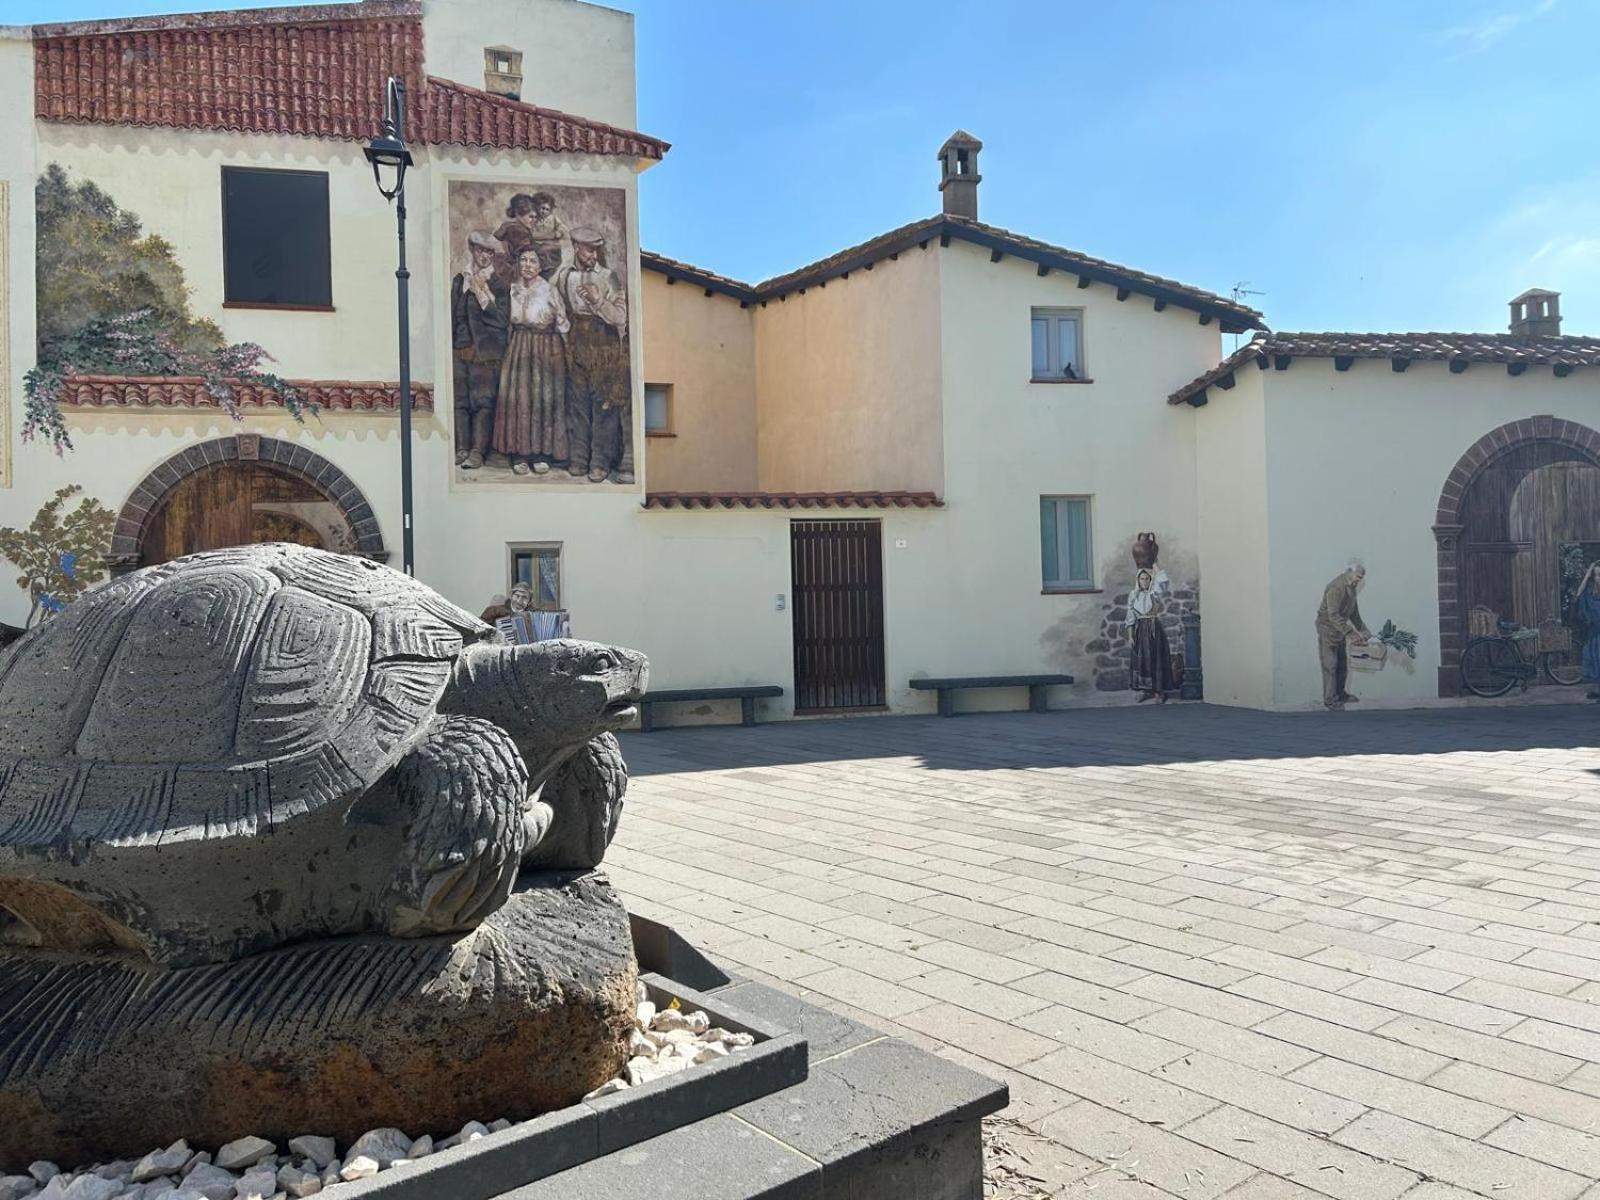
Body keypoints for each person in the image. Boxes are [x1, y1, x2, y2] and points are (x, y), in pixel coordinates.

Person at [556, 227, 633, 484]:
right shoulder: (564, 275)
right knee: (577, 403)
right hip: (577, 340)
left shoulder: (609, 277)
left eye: (596, 249)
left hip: (605, 344)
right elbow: (557, 306)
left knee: (604, 405)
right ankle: (578, 458)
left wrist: (599, 302)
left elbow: (621, 317)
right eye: (589, 249)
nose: (593, 254)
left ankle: (600, 462)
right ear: (576, 248)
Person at [490, 247, 571, 476]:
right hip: (518, 346)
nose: (527, 265)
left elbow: (563, 323)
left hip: (545, 347)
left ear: (540, 266)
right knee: (519, 398)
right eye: (523, 260)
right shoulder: (511, 290)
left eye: (532, 261)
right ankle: (520, 453)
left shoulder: (549, 291)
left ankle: (540, 454)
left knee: (542, 398)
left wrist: (561, 353)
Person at [450, 232, 510, 470]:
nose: (484, 256)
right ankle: (462, 447)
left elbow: (502, 319)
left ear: (493, 256)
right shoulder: (459, 280)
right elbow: (454, 313)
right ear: (472, 251)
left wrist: (482, 294)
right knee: (461, 401)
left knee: (483, 402)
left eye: (489, 252)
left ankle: (477, 452)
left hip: (486, 352)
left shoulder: (499, 285)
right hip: (460, 348)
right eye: (480, 250)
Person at [1317, 559, 1371, 710]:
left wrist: (1364, 630)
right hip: (1328, 630)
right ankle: (1330, 701)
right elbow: (1333, 615)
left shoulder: (1351, 586)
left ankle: (1341, 694)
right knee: (1330, 666)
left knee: (1342, 665)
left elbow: (1353, 612)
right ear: (1349, 572)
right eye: (1358, 576)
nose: (1359, 580)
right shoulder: (1336, 587)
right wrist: (1351, 633)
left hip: (1339, 630)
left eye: (1361, 578)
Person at [1125, 567, 1175, 703]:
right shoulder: (1133, 595)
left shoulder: (1154, 593)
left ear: (1150, 580)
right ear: (1138, 580)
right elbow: (1130, 617)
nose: (1145, 581)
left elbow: (1163, 582)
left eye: (1147, 579)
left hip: (1154, 629)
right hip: (1140, 630)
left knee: (1156, 658)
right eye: (1142, 579)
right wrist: (1130, 636)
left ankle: (1159, 691)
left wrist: (1155, 566)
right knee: (1142, 660)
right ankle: (1146, 690)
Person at [1572, 561, 1600, 700]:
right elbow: (1578, 594)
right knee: (1594, 659)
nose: (1598, 578)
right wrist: (1588, 573)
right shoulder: (1590, 592)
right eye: (1596, 575)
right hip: (1594, 633)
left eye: (1599, 575)